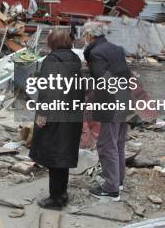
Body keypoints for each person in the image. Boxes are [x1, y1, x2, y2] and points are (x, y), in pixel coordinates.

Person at [29, 29, 83, 209]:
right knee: (63, 155)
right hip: (71, 114)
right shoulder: (75, 59)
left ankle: (55, 198)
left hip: (55, 114)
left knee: (53, 156)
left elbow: (48, 91)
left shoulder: (52, 60)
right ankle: (62, 194)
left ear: (53, 43)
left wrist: (43, 114)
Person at [82, 20, 131, 201]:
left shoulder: (95, 52)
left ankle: (111, 189)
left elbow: (105, 79)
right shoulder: (116, 48)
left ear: (89, 35)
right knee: (117, 142)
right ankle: (117, 181)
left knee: (106, 144)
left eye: (84, 35)